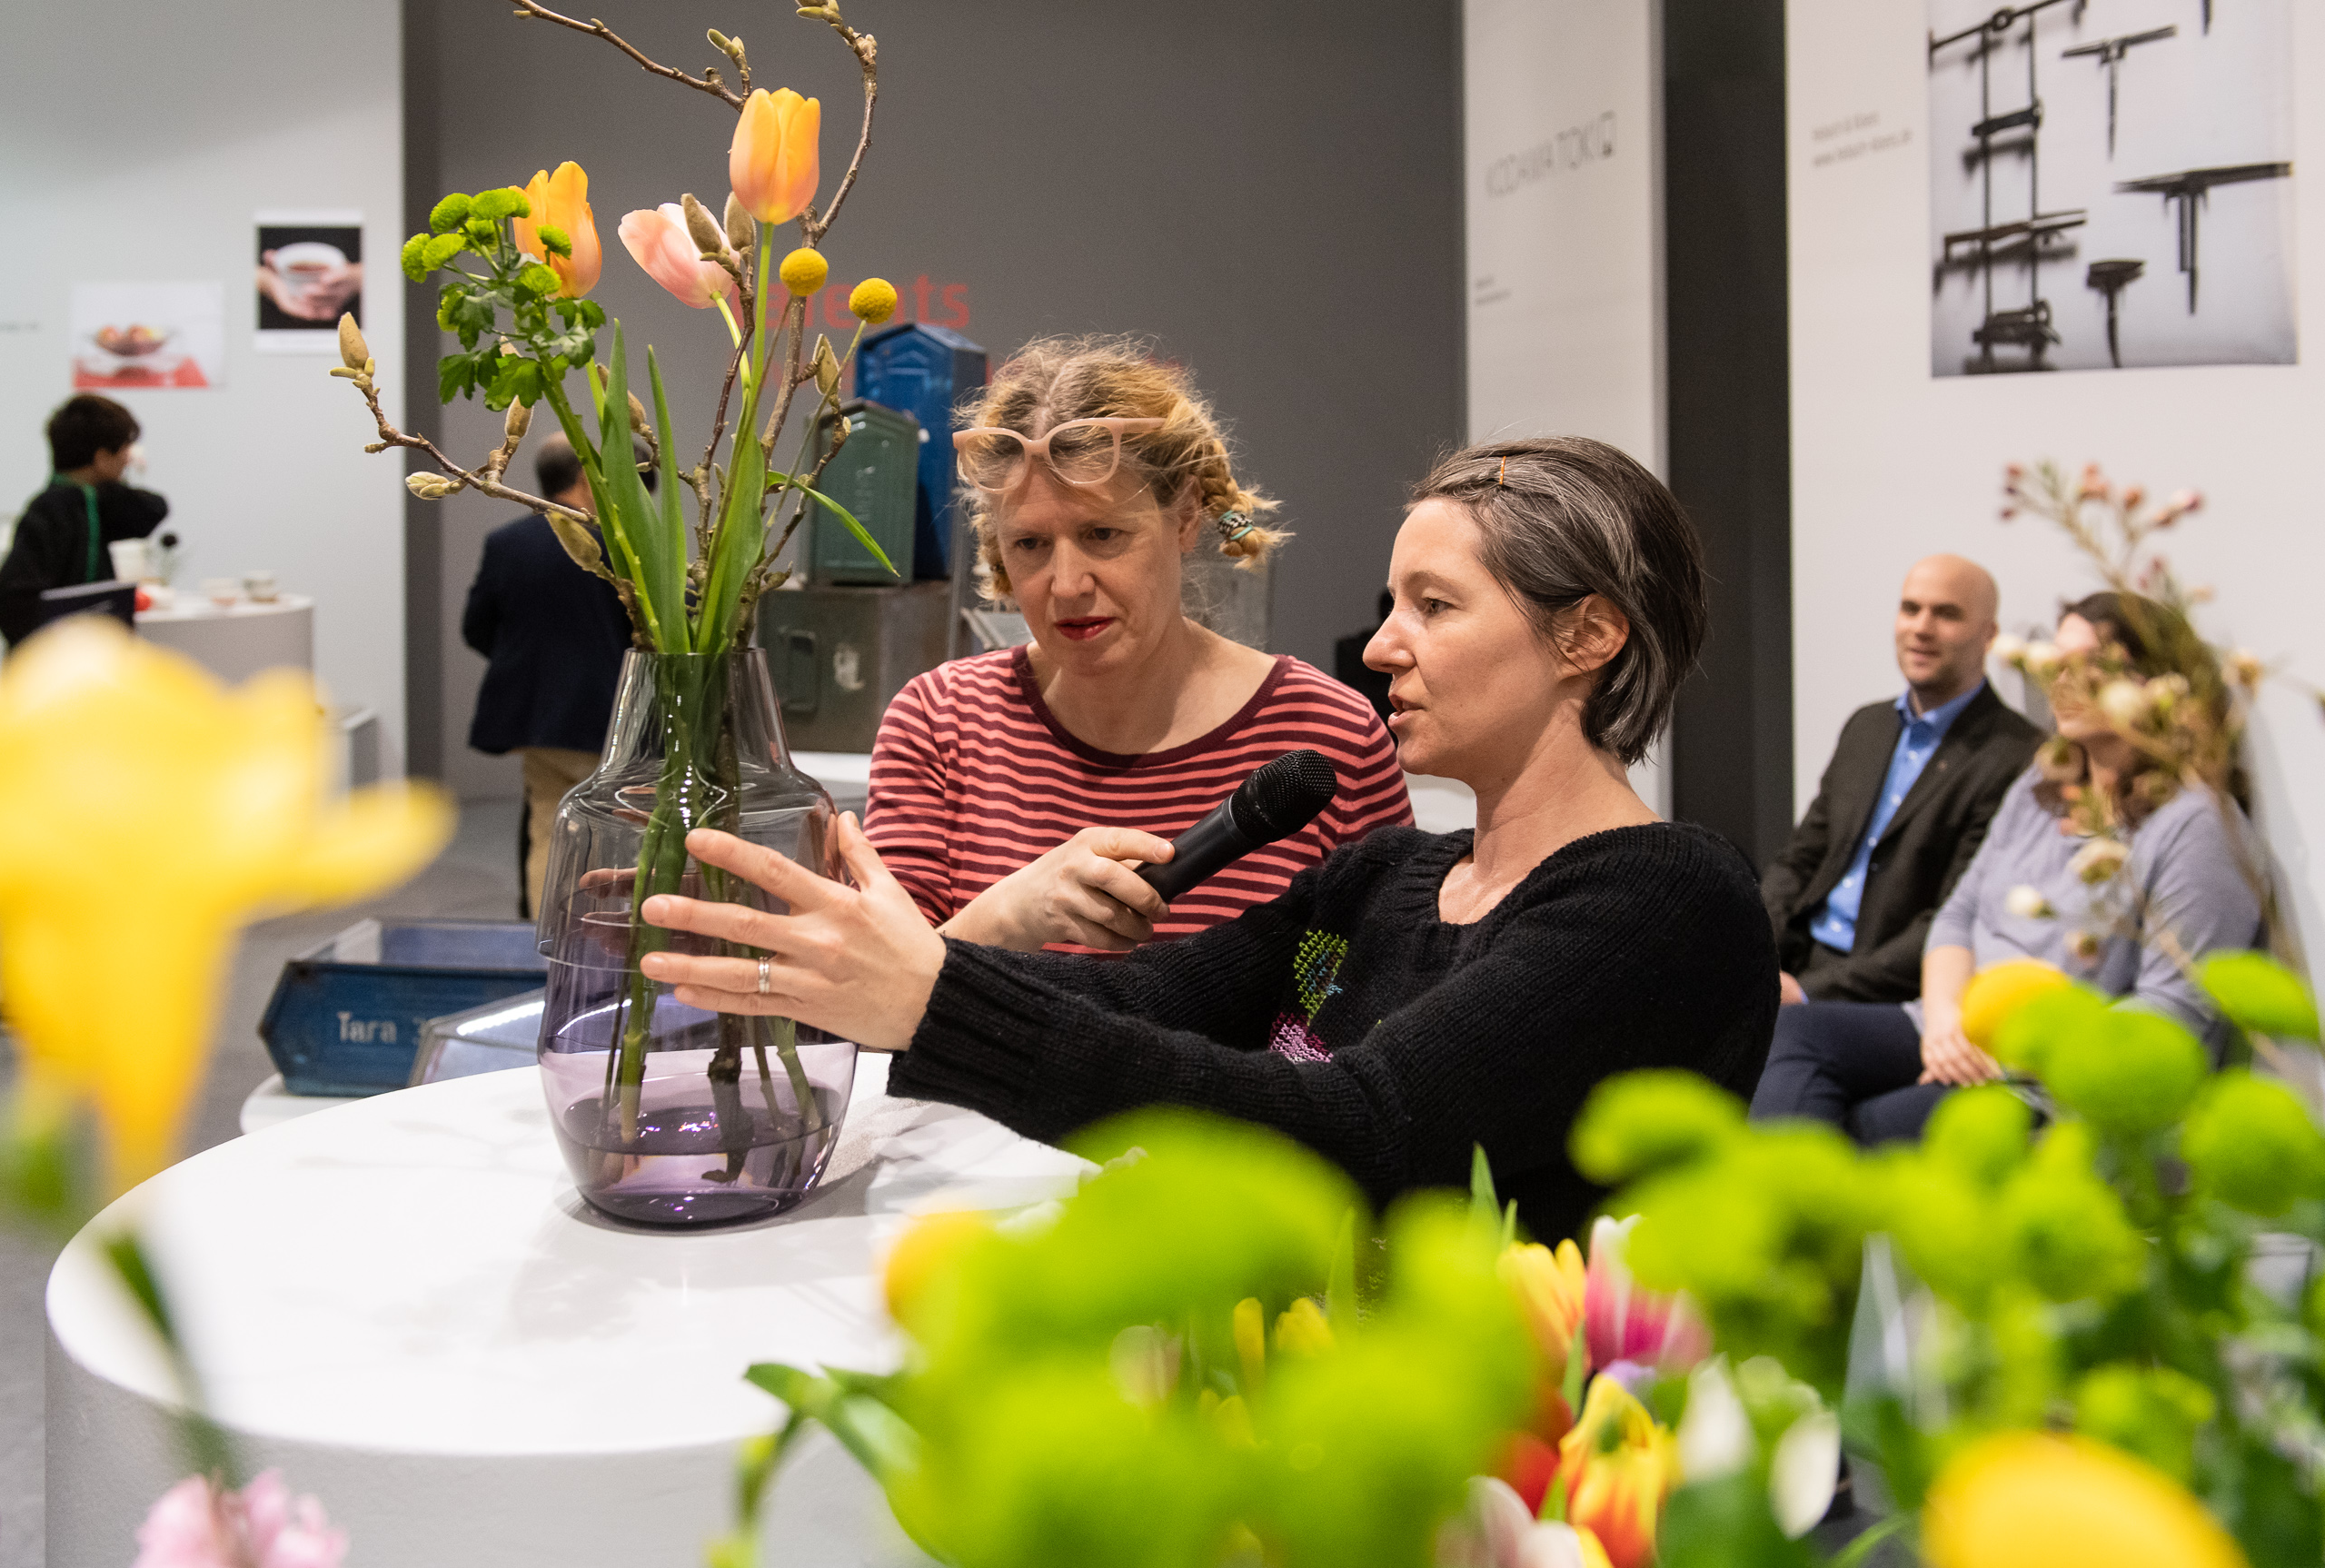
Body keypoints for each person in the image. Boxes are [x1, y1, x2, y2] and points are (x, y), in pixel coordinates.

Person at [640, 437, 1778, 1243]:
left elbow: (1365, 1132)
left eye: (1432, 606)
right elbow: (1141, 1002)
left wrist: (934, 996)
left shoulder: (1663, 902)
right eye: (1393, 603)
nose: (1379, 645)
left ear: (1585, 633)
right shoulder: (1379, 880)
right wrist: (864, 969)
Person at [865, 337, 1413, 953]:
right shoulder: (941, 723)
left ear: (1184, 518)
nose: (1067, 585)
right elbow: (871, 1000)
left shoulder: (1330, 735)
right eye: (1030, 545)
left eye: (1102, 534)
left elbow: (1375, 1000)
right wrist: (1006, 921)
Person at [1751, 593, 2261, 1144]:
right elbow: (1957, 918)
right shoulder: (2038, 790)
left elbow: (2173, 1013)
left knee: (1872, 1124)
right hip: (1955, 1028)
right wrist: (1945, 1024)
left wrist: (2017, 1052)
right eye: (2055, 664)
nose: (2061, 682)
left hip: (2053, 1078)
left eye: (2088, 665)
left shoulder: (2196, 823)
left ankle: (1793, 1219)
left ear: (2152, 683)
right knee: (1788, 1031)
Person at [1760, 555, 2042, 1006]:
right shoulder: (1866, 727)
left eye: (1946, 613)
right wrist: (1754, 953)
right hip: (1795, 961)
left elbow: (1953, 917)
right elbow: (1799, 861)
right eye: (1910, 609)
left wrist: (1807, 994)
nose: (1921, 627)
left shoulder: (2018, 756)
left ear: (1989, 635)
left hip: (1888, 993)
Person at [462, 434, 641, 917]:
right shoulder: (622, 546)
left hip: (538, 722)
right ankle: (608, 939)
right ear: (587, 477)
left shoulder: (506, 544)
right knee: (618, 836)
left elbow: (476, 629)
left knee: (548, 826)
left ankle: (545, 941)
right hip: (612, 720)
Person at [0, 395, 168, 649]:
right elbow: (13, 598)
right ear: (101, 458)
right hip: (57, 662)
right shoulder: (51, 509)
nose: (127, 460)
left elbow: (152, 509)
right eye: (124, 450)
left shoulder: (96, 503)